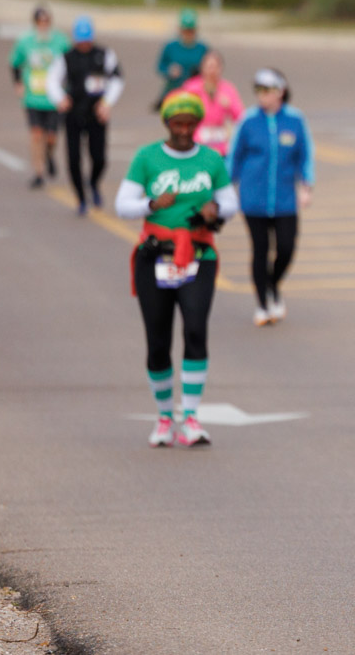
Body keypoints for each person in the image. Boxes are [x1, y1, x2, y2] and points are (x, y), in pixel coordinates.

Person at [114, 92, 239, 448]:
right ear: (166, 124)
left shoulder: (211, 160)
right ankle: (165, 416)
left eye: (190, 124)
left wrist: (216, 209)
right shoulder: (147, 157)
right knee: (158, 339)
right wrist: (151, 203)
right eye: (177, 124)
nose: (184, 130)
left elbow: (231, 200)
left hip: (198, 254)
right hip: (155, 255)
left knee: (196, 328)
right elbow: (122, 204)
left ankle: (192, 418)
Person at [227, 68, 314, 327]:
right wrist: (225, 188)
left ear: (280, 91)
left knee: (286, 248)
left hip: (285, 199)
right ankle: (263, 304)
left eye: (267, 90)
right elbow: (235, 157)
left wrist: (306, 186)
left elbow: (305, 156)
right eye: (258, 90)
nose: (262, 96)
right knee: (260, 250)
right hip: (253, 199)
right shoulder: (248, 120)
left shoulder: (295, 120)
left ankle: (273, 285)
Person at [48, 16, 124, 216]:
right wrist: (60, 99)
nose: (84, 44)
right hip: (74, 113)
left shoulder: (104, 55)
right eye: (80, 40)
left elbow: (117, 80)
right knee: (74, 159)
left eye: (87, 39)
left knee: (99, 158)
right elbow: (52, 81)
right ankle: (81, 198)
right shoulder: (65, 57)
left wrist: (106, 104)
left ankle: (93, 183)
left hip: (96, 113)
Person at [10, 5, 70, 189]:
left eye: (46, 21)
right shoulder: (26, 41)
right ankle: (38, 172)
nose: (43, 25)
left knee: (51, 137)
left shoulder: (61, 42)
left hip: (53, 97)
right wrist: (18, 83)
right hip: (33, 97)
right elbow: (15, 63)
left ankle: (49, 155)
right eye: (40, 21)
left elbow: (71, 64)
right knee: (36, 135)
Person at [177, 51, 243, 156]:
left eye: (216, 67)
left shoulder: (228, 89)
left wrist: (229, 106)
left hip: (221, 141)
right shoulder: (191, 88)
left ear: (221, 68)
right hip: (197, 141)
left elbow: (241, 118)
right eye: (209, 67)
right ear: (202, 68)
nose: (212, 71)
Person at [154, 9, 209, 112]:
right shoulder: (170, 47)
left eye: (191, 30)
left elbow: (210, 67)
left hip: (197, 92)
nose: (188, 33)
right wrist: (169, 70)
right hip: (175, 89)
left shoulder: (202, 48)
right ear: (180, 30)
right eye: (185, 30)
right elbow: (160, 66)